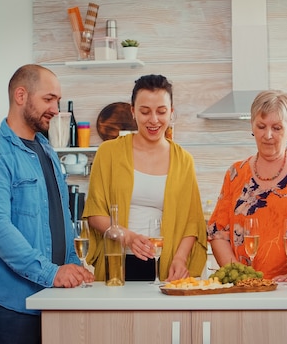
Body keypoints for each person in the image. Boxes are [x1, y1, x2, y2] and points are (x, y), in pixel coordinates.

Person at [0, 64, 94, 344]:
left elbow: (59, 215)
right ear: (20, 95)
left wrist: (72, 265)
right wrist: (52, 272)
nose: (56, 109)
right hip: (12, 306)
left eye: (57, 100)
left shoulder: (45, 149)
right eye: (48, 99)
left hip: (51, 298)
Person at [83, 74, 207, 282]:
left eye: (161, 112)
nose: (154, 120)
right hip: (117, 261)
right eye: (145, 111)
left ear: (171, 113)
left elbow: (192, 222)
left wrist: (180, 258)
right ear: (132, 111)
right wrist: (129, 238)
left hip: (165, 265)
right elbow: (95, 214)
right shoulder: (108, 153)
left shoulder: (183, 160)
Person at [207, 89, 287, 280]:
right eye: (261, 126)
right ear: (252, 126)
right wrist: (243, 277)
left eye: (276, 128)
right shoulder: (235, 173)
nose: (268, 135)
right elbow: (218, 234)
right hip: (246, 289)